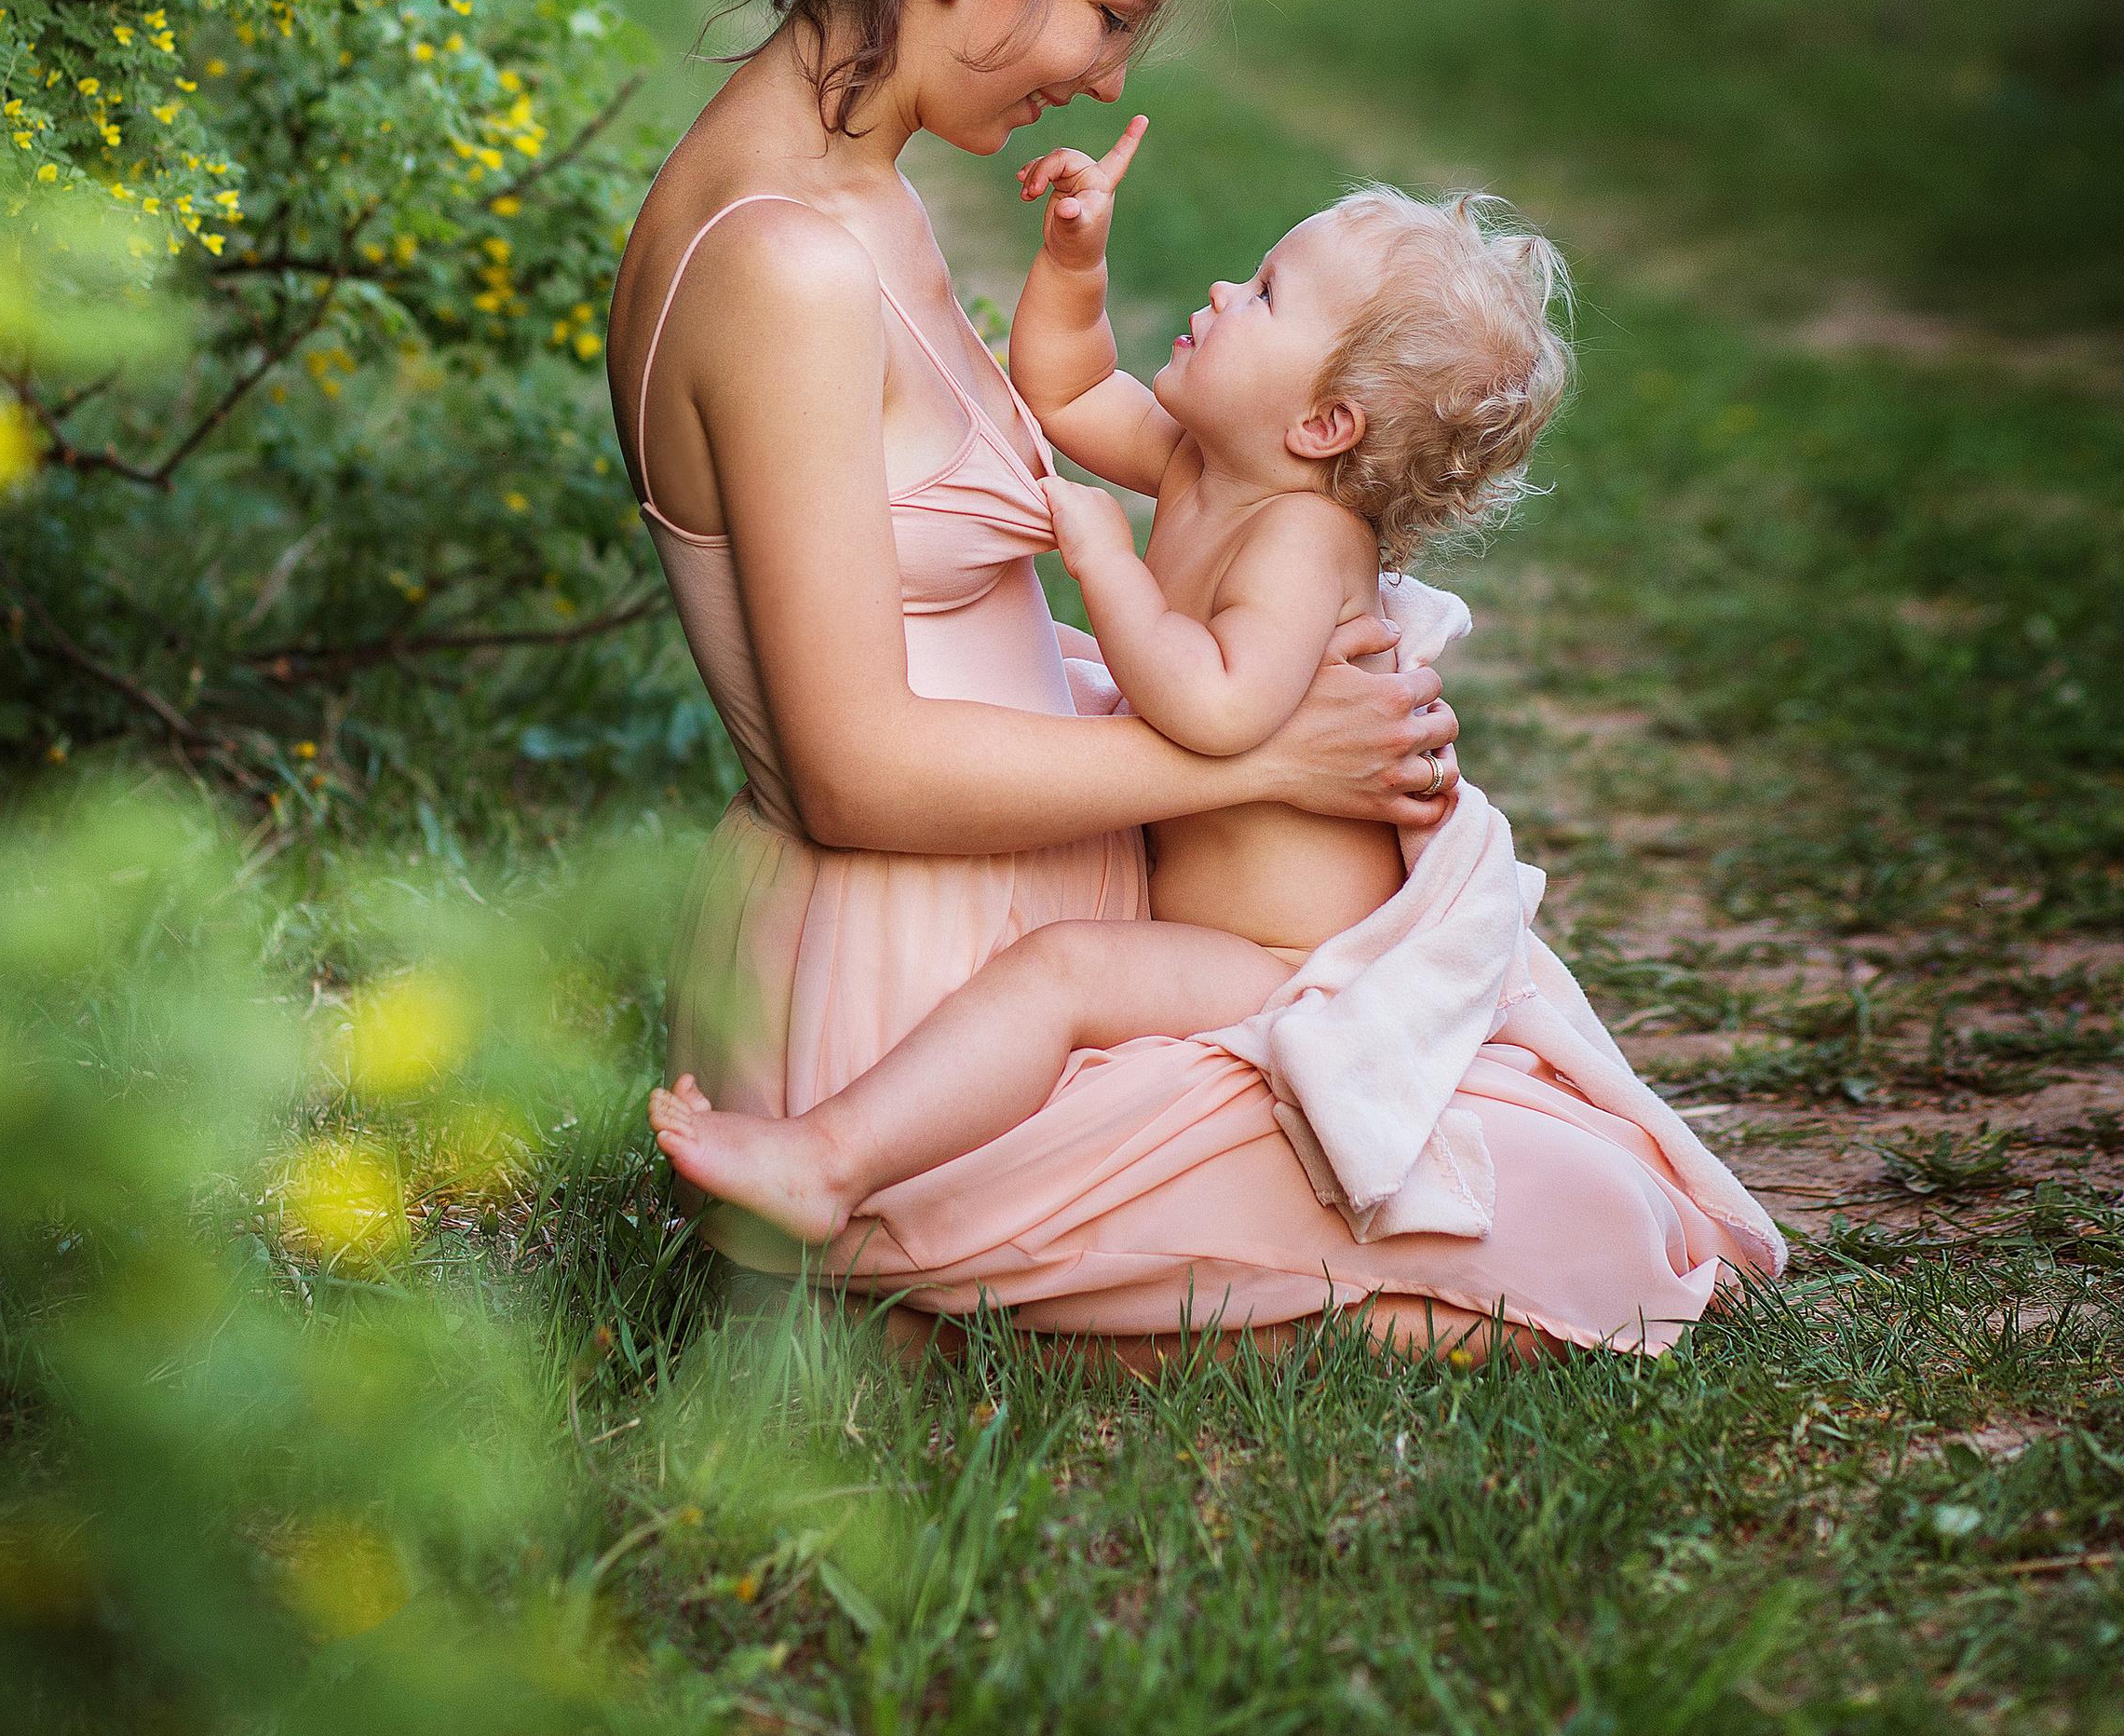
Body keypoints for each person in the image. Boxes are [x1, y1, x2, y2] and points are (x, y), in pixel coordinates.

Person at [611, 0, 1773, 1359]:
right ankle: (919, 1268)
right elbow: (853, 768)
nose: (1104, 78)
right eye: (1111, 12)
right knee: (1591, 1217)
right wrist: (1259, 759)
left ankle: (1004, 1277)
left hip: (1006, 939)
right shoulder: (784, 260)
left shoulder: (851, 194)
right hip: (906, 993)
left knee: (1536, 1125)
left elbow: (970, 604)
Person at [646, 144, 1571, 1248]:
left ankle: (831, 1160)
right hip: (1201, 917)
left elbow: (1221, 708)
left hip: (1274, 957)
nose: (1226, 289)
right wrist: (1075, 259)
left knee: (1062, 973)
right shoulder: (1207, 464)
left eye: (1265, 293)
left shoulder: (1302, 539)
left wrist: (1109, 567)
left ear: (1325, 424)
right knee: (1063, 962)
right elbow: (1068, 387)